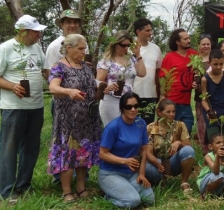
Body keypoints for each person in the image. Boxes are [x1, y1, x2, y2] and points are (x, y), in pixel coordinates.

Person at [47, 34, 102, 202]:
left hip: (88, 119)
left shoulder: (85, 66)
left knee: (83, 153)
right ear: (69, 48)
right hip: (68, 121)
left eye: (84, 48)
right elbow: (53, 87)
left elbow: (91, 85)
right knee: (68, 154)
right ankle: (66, 191)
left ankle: (81, 187)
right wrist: (68, 91)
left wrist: (102, 89)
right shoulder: (59, 67)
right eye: (80, 49)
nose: (83, 52)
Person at [0, 15, 47, 202]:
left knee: (31, 148)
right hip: (14, 107)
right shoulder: (5, 48)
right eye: (35, 32)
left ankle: (24, 186)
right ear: (22, 31)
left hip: (36, 105)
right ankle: (7, 191)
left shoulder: (36, 48)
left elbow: (45, 70)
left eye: (39, 31)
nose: (38, 35)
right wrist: (12, 86)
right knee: (9, 149)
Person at [98, 92, 154, 208]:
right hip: (110, 173)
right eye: (129, 107)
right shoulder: (113, 127)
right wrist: (125, 161)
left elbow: (144, 150)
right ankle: (109, 196)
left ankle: (121, 191)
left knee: (149, 200)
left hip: (131, 173)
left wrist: (142, 174)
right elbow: (103, 154)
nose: (133, 109)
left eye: (136, 106)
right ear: (122, 108)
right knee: (133, 201)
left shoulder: (140, 123)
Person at [96, 30, 146, 126]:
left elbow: (142, 73)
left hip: (128, 100)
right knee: (114, 130)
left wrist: (138, 55)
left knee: (127, 130)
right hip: (111, 99)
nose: (126, 48)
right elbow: (98, 82)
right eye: (123, 45)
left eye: (128, 45)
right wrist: (107, 87)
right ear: (115, 44)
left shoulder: (130, 59)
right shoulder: (106, 61)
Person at [146, 99, 196, 192]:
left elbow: (188, 147)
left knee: (189, 150)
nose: (171, 114)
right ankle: (160, 180)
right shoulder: (151, 127)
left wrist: (179, 143)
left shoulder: (180, 125)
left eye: (173, 111)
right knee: (147, 167)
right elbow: (148, 153)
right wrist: (158, 165)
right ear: (159, 112)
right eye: (168, 112)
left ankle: (184, 182)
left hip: (173, 161)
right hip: (156, 162)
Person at [159, 28, 198, 134]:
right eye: (185, 39)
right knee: (171, 133)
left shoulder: (194, 55)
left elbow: (198, 73)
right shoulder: (169, 57)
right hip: (172, 102)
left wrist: (196, 82)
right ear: (177, 42)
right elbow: (163, 77)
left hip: (186, 102)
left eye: (189, 38)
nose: (189, 40)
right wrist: (162, 96)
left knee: (187, 130)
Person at [201, 49, 224, 156]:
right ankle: (213, 168)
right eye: (215, 64)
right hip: (212, 117)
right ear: (209, 63)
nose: (219, 67)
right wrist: (209, 111)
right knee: (214, 144)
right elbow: (204, 100)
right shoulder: (205, 79)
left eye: (221, 64)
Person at [133, 18, 163, 124]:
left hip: (151, 94)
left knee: (148, 126)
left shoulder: (156, 49)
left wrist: (159, 93)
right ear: (138, 31)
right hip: (133, 94)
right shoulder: (129, 48)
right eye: (147, 30)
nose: (150, 33)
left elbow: (158, 73)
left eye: (151, 30)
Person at [197, 133, 224, 199]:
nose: (222, 144)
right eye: (218, 142)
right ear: (211, 146)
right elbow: (216, 172)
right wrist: (217, 157)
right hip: (205, 184)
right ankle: (206, 194)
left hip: (219, 182)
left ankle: (222, 193)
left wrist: (223, 162)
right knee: (219, 175)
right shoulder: (208, 157)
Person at [195, 34, 212, 154]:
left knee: (214, 125)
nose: (206, 46)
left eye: (208, 44)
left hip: (215, 98)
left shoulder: (215, 59)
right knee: (202, 126)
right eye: (203, 44)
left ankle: (218, 152)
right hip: (200, 98)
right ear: (199, 46)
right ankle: (206, 153)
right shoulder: (195, 60)